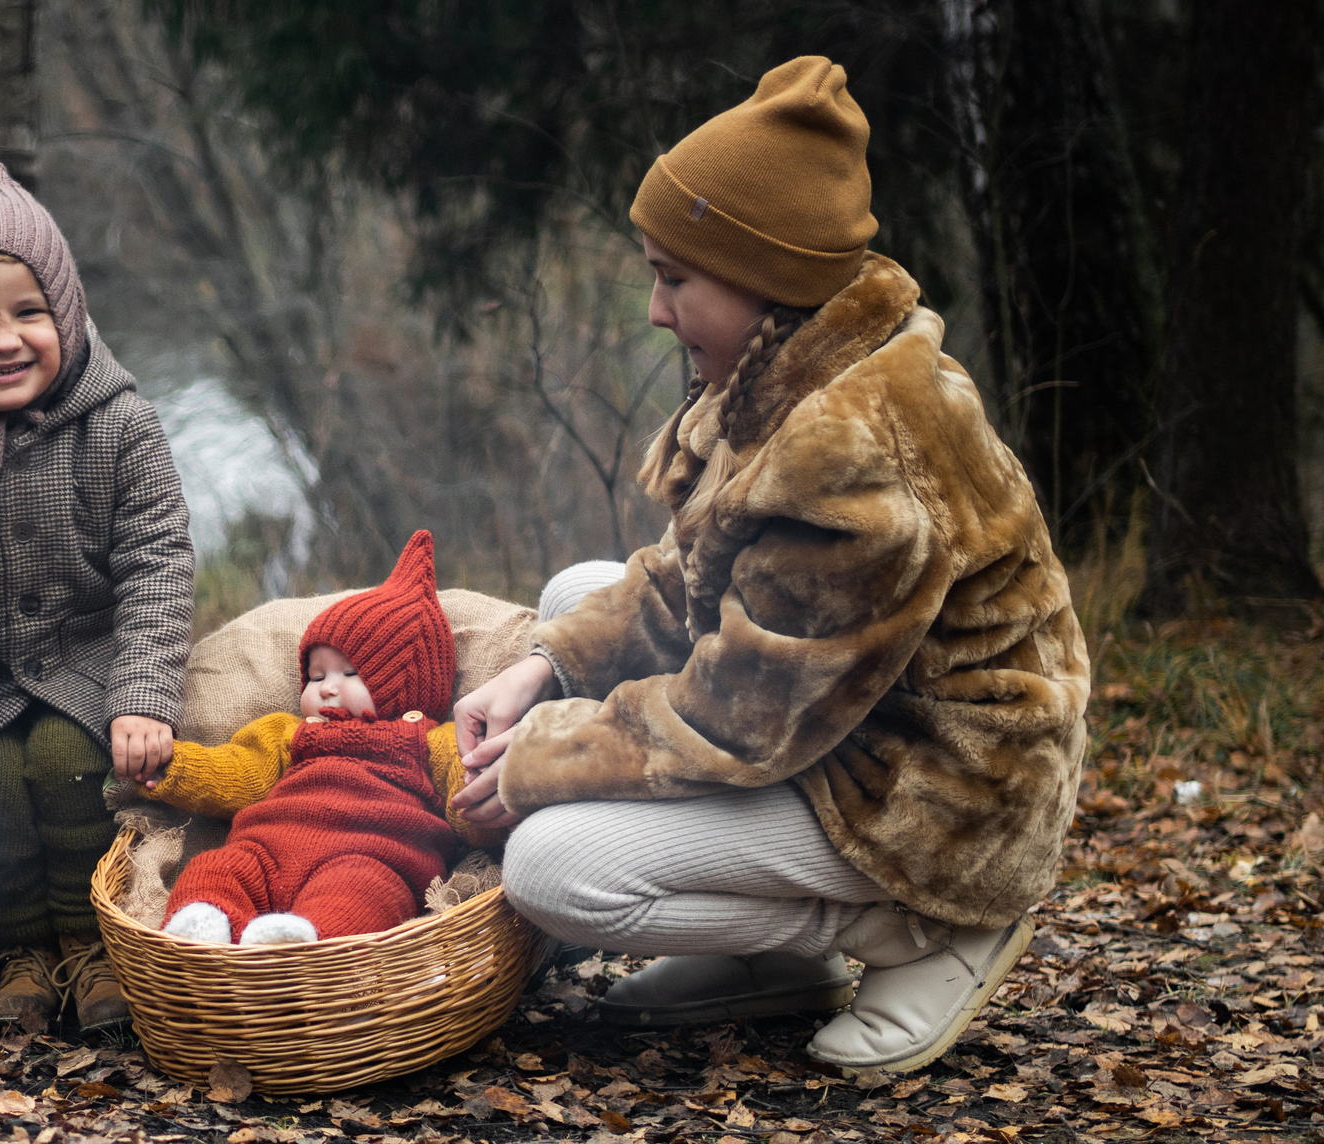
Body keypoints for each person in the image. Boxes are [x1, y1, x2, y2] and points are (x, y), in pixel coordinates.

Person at [449, 56, 1089, 1076]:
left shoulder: (853, 460)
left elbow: (733, 724)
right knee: (573, 597)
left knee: (552, 868)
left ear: (766, 280)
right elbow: (684, 574)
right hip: (846, 718)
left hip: (937, 787)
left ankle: (919, 936)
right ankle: (766, 961)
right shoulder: (782, 365)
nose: (656, 312)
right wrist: (550, 667)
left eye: (674, 280)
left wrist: (535, 757)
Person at [0, 126, 197, 1034]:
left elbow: (158, 565)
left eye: (29, 312)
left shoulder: (120, 424)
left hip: (92, 662)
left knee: (67, 760)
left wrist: (143, 694)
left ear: (66, 308)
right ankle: (18, 947)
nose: (5, 340)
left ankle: (95, 944)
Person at [148, 533, 483, 944]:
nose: (325, 688)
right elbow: (238, 769)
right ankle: (206, 922)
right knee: (214, 868)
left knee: (364, 893)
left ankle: (303, 943)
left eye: (350, 673)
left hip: (369, 855)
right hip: (266, 849)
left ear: (405, 687)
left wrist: (486, 794)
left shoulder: (428, 740)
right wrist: (172, 764)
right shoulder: (290, 733)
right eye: (317, 676)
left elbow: (466, 788)